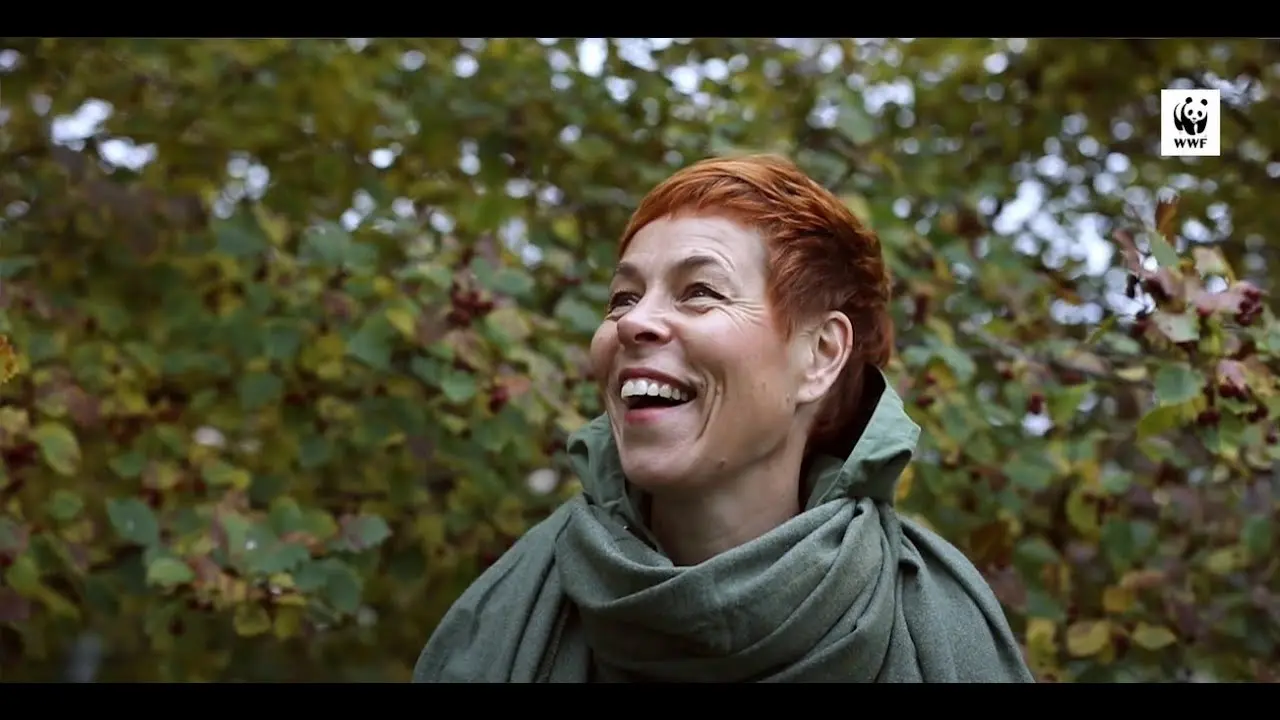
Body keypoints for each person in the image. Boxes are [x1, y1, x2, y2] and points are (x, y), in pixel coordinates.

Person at [412, 154, 1035, 683]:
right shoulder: (500, 619)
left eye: (700, 291)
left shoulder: (941, 629)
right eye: (623, 297)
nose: (632, 322)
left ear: (820, 355)